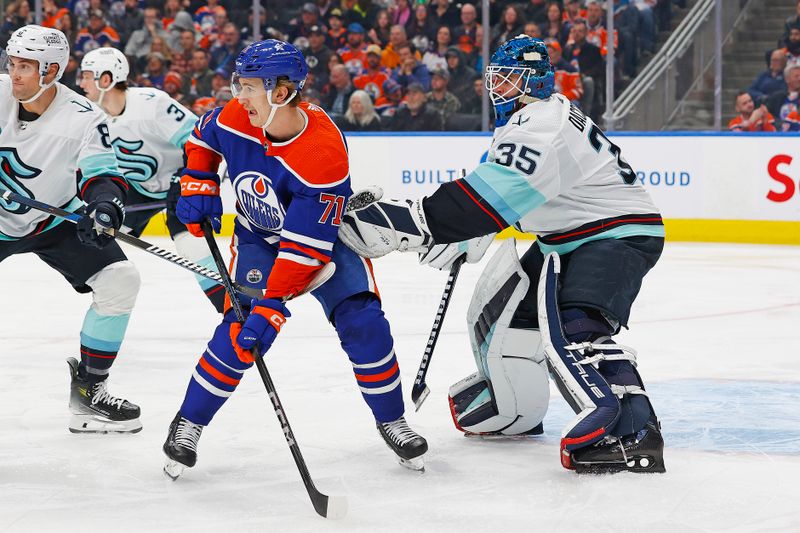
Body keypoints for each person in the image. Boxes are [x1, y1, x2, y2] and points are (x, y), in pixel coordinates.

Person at [339, 36, 666, 475]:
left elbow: (487, 200)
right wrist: (464, 229)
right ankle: (516, 408)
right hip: (567, 236)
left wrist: (409, 224)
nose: (498, 87)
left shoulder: (541, 126)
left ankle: (632, 431)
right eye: (496, 78)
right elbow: (494, 192)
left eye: (509, 79)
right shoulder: (532, 119)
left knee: (576, 327)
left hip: (612, 235)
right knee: (502, 321)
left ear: (534, 82)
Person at [162, 39, 427, 478]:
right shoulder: (235, 115)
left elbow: (306, 249)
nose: (237, 95)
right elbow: (201, 138)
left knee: (363, 322)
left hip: (325, 242)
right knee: (239, 328)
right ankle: (188, 423)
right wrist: (198, 178)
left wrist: (273, 304)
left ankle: (392, 418)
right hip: (259, 241)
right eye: (238, 84)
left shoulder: (322, 154)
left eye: (247, 87)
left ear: (281, 93)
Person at [0, 25, 141, 433]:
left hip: (52, 217)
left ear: (51, 71)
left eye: (26, 66)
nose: (16, 74)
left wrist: (103, 207)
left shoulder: (83, 117)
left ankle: (89, 394)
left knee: (120, 280)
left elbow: (103, 175)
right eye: (13, 64)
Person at [78, 47, 225, 312]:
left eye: (87, 76)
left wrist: (186, 178)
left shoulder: (151, 102)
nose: (81, 83)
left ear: (107, 79)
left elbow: (199, 141)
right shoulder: (89, 116)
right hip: (136, 189)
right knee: (99, 244)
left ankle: (230, 310)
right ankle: (105, 321)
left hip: (180, 180)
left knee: (191, 245)